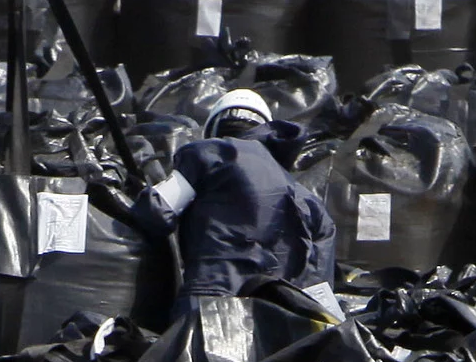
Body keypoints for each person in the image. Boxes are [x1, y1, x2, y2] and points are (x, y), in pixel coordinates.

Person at [128, 89, 339, 312]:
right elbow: (319, 288)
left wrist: (139, 190)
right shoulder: (307, 199)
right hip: (276, 317)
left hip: (209, 304)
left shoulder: (208, 154)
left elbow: (156, 212)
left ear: (214, 128)